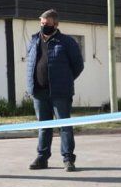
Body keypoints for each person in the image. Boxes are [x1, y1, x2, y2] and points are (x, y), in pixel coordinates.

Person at [26, 9, 84, 171]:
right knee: (44, 126)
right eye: (42, 23)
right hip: (39, 91)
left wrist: (65, 80)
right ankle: (42, 158)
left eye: (48, 24)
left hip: (60, 92)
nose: (44, 26)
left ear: (56, 24)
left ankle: (68, 159)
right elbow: (31, 62)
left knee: (64, 126)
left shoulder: (67, 42)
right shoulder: (34, 40)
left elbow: (78, 66)